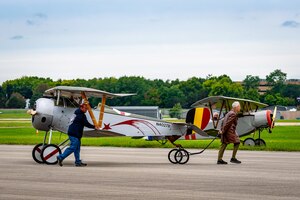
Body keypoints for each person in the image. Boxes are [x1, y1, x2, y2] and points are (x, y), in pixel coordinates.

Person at [57, 102, 98, 167]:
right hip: (74, 133)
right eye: (85, 108)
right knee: (73, 147)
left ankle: (78, 162)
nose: (86, 110)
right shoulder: (81, 115)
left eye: (87, 109)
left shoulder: (77, 112)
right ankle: (61, 157)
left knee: (77, 148)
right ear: (81, 107)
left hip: (75, 133)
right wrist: (94, 127)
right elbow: (86, 124)